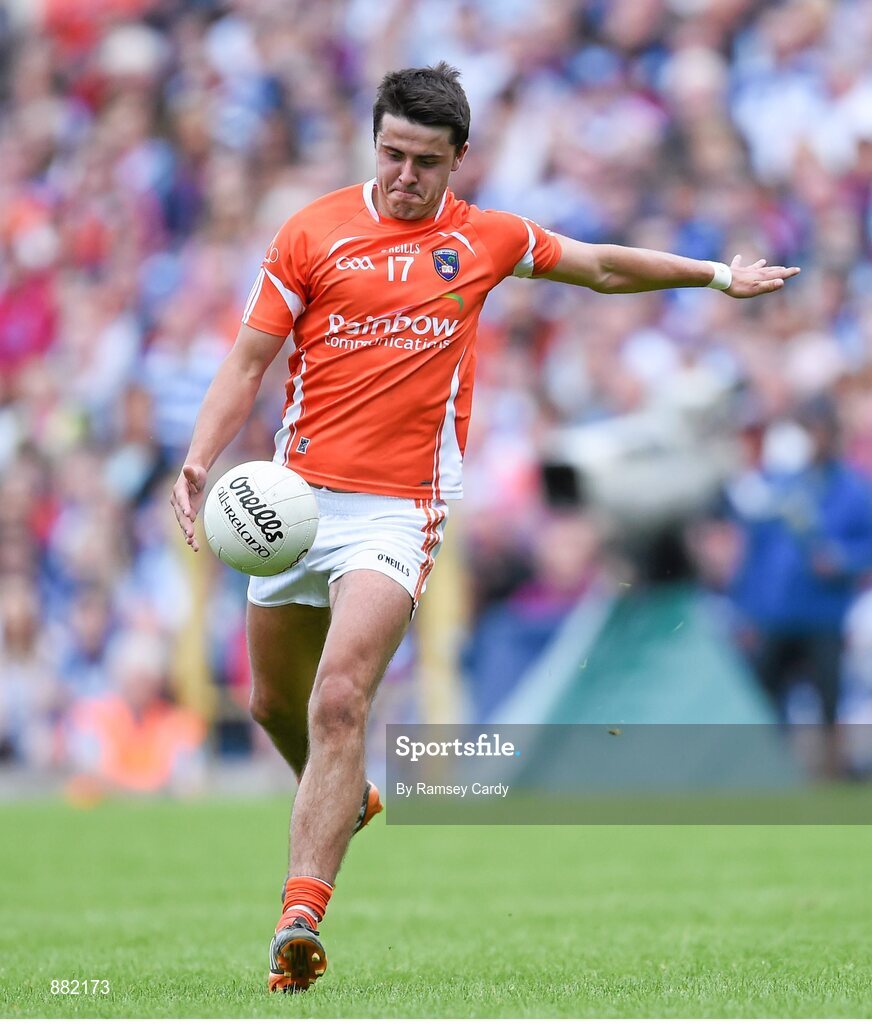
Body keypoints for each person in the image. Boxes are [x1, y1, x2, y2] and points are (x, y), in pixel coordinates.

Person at [169, 63, 800, 992]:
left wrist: (716, 278)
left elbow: (598, 266)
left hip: (398, 509)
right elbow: (248, 360)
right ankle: (354, 797)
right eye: (391, 153)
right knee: (274, 704)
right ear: (373, 144)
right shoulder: (312, 233)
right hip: (293, 502)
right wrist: (198, 454)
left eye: (426, 160)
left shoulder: (487, 239)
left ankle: (299, 917)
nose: (404, 175)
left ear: (459, 160)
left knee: (341, 700)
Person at [728, 394, 872, 774]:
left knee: (829, 701)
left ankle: (832, 774)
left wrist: (842, 560)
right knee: (760, 698)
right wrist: (746, 608)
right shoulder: (778, 484)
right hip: (777, 614)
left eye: (818, 430)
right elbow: (755, 551)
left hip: (823, 616)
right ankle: (767, 771)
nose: (812, 439)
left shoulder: (853, 488)